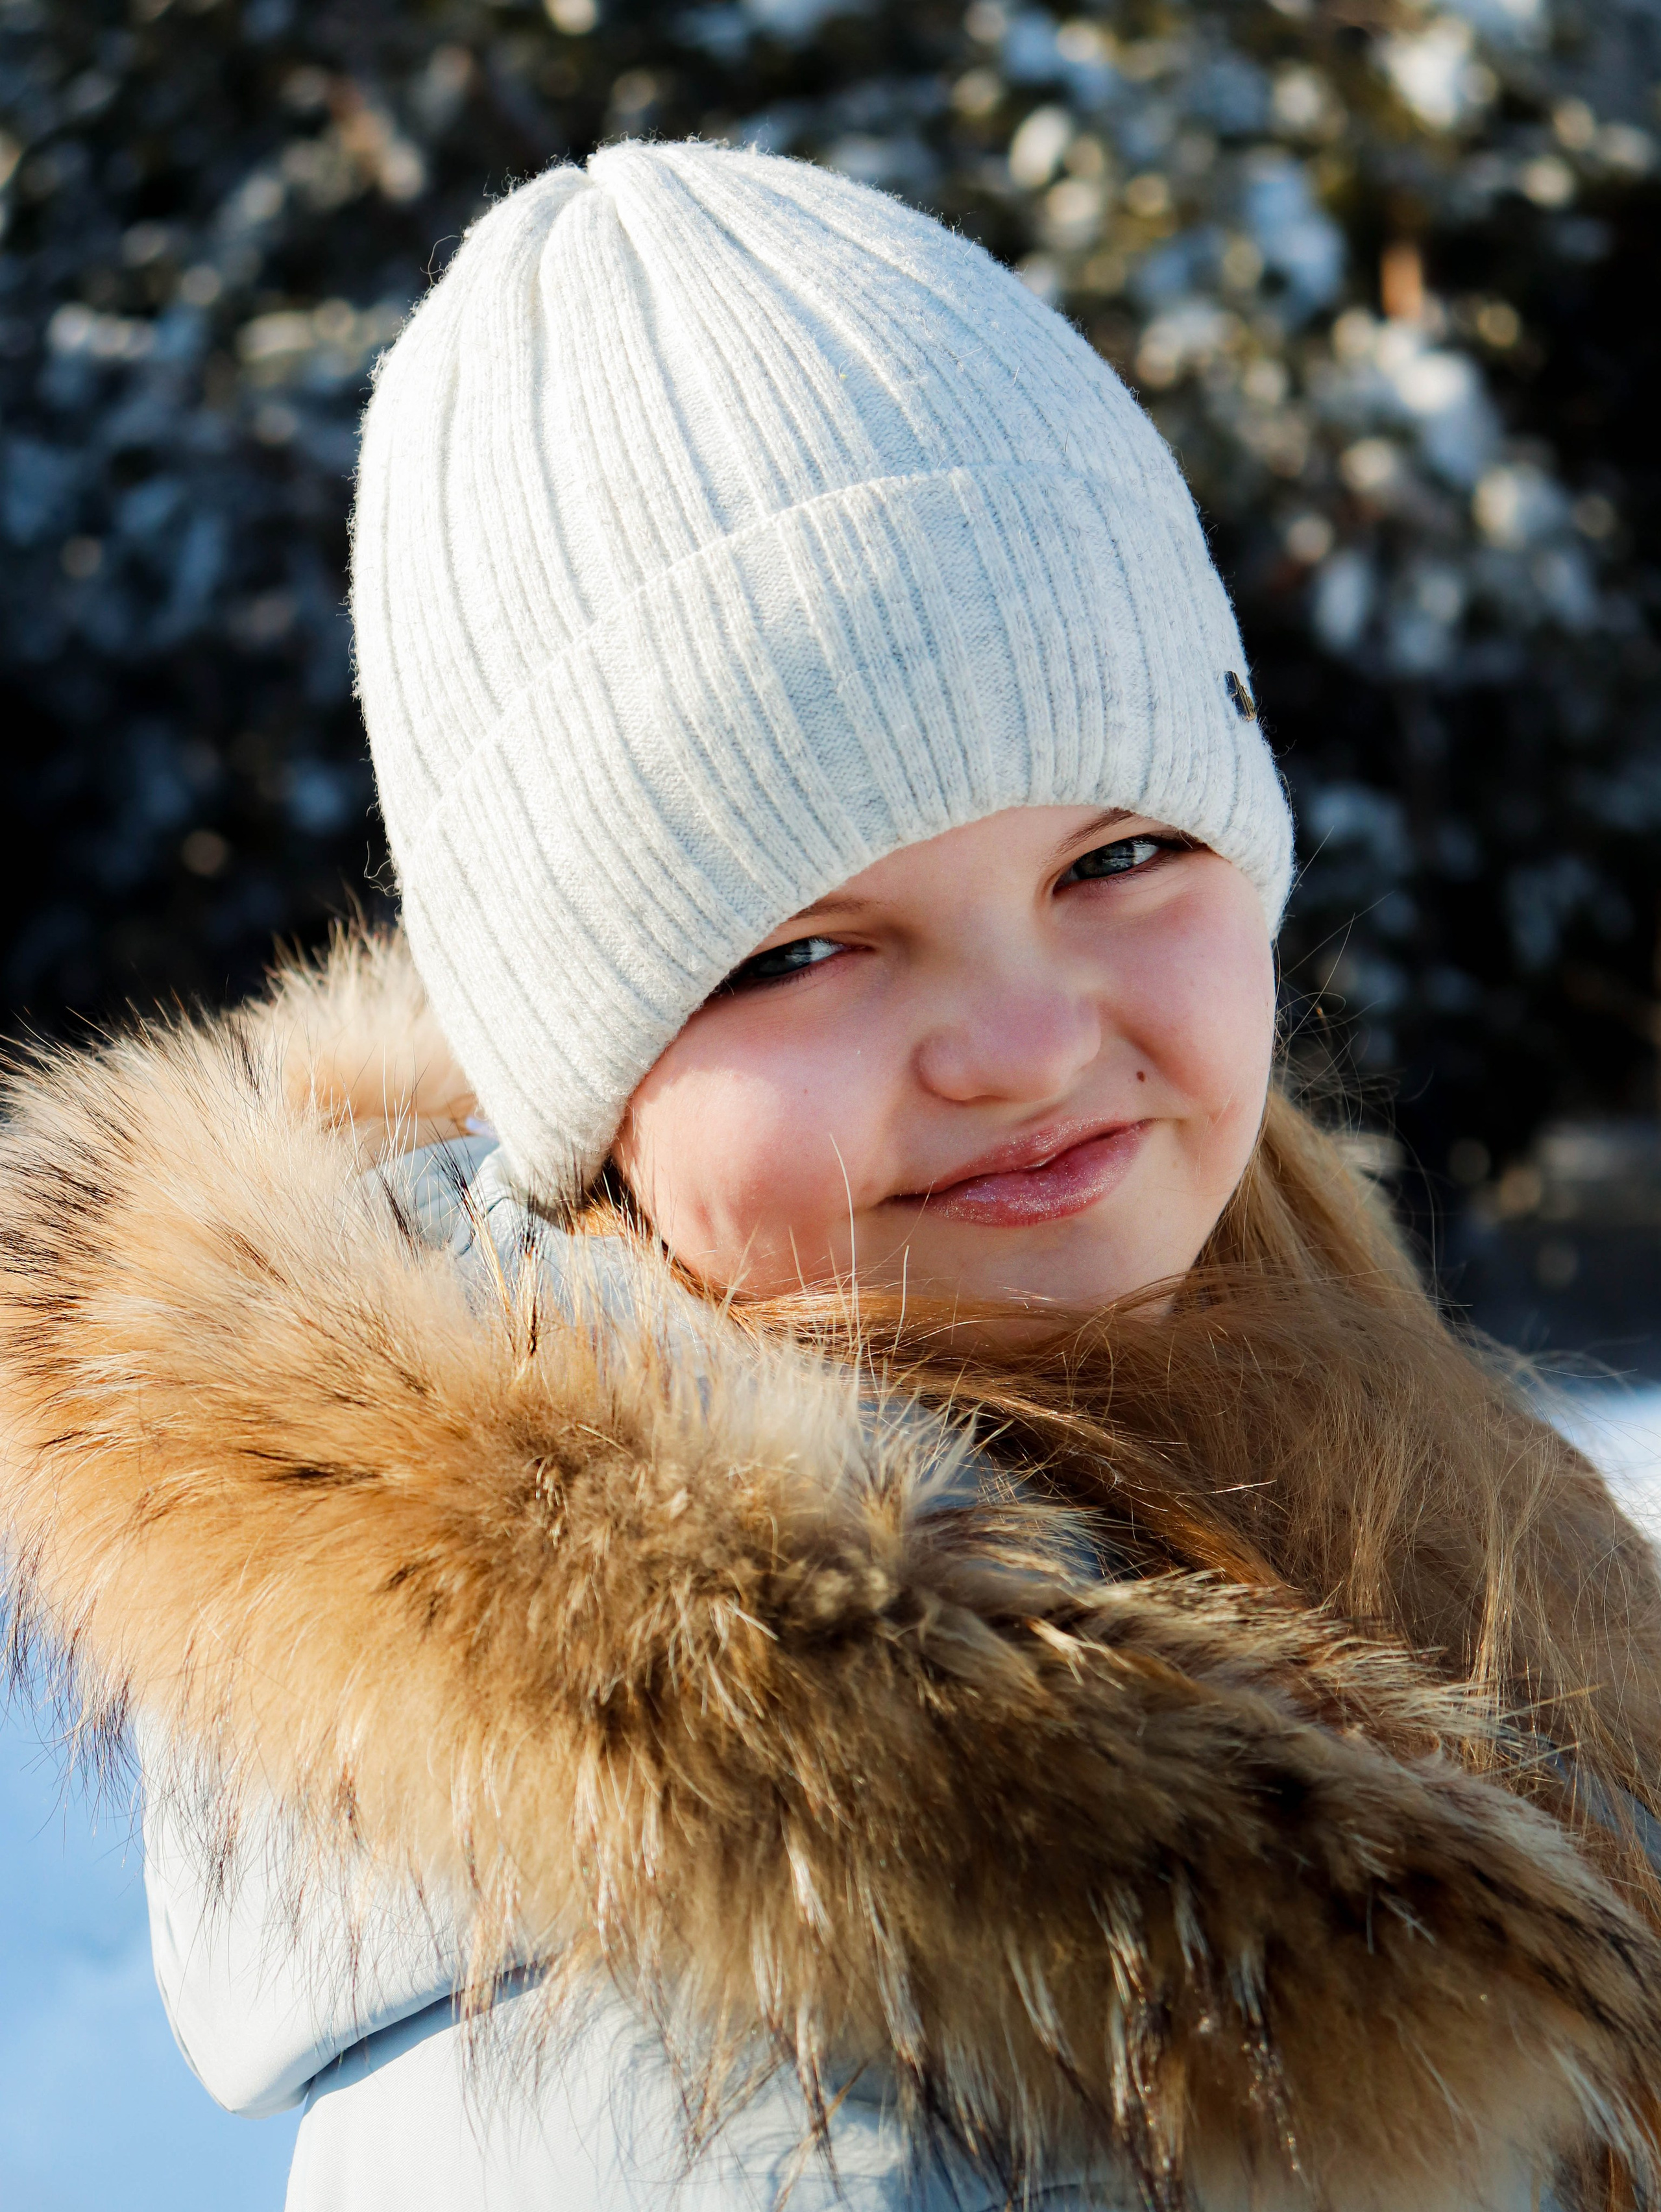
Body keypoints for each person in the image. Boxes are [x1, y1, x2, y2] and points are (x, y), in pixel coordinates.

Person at [1, 140, 1660, 2212]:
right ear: (581, 1089)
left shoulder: (1317, 1408)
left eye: (1118, 854)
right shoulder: (756, 2114)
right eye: (797, 950)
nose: (1026, 1036)